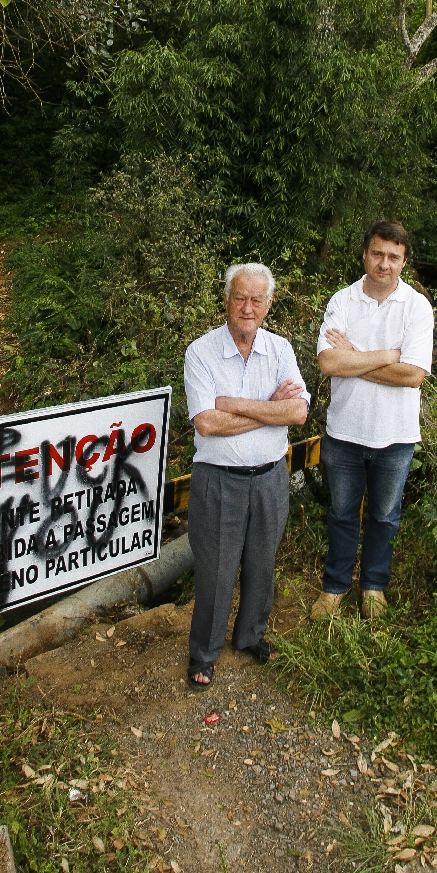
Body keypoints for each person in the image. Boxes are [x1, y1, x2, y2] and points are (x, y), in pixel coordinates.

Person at [183, 263, 310, 689]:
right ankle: (203, 654)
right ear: (226, 300)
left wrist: (236, 404)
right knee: (216, 573)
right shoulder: (200, 352)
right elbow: (206, 423)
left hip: (272, 477)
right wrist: (268, 408)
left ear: (269, 304)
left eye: (257, 299)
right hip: (219, 481)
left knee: (262, 564)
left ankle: (250, 635)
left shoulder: (280, 350)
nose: (248, 307)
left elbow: (297, 411)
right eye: (240, 297)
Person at [311, 221, 433, 620]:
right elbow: (329, 361)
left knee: (384, 516)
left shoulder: (416, 307)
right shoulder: (342, 301)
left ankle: (374, 586)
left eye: (393, 257)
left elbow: (413, 375)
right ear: (364, 254)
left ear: (404, 262)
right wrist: (387, 355)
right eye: (377, 253)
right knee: (342, 514)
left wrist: (356, 357)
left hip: (396, 436)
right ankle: (335, 587)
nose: (384, 263)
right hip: (344, 432)